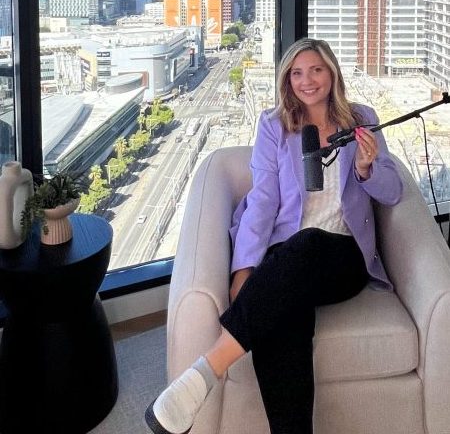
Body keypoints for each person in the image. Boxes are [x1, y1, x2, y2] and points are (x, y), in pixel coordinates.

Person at [144, 37, 403, 434]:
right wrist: (244, 269)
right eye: (297, 73)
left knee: (307, 246)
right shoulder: (274, 125)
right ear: (287, 81)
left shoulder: (361, 118)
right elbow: (263, 201)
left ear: (332, 73)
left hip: (344, 255)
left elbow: (393, 192)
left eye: (316, 70)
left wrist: (367, 169)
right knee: (282, 317)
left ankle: (204, 372)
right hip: (287, 254)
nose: (307, 81)